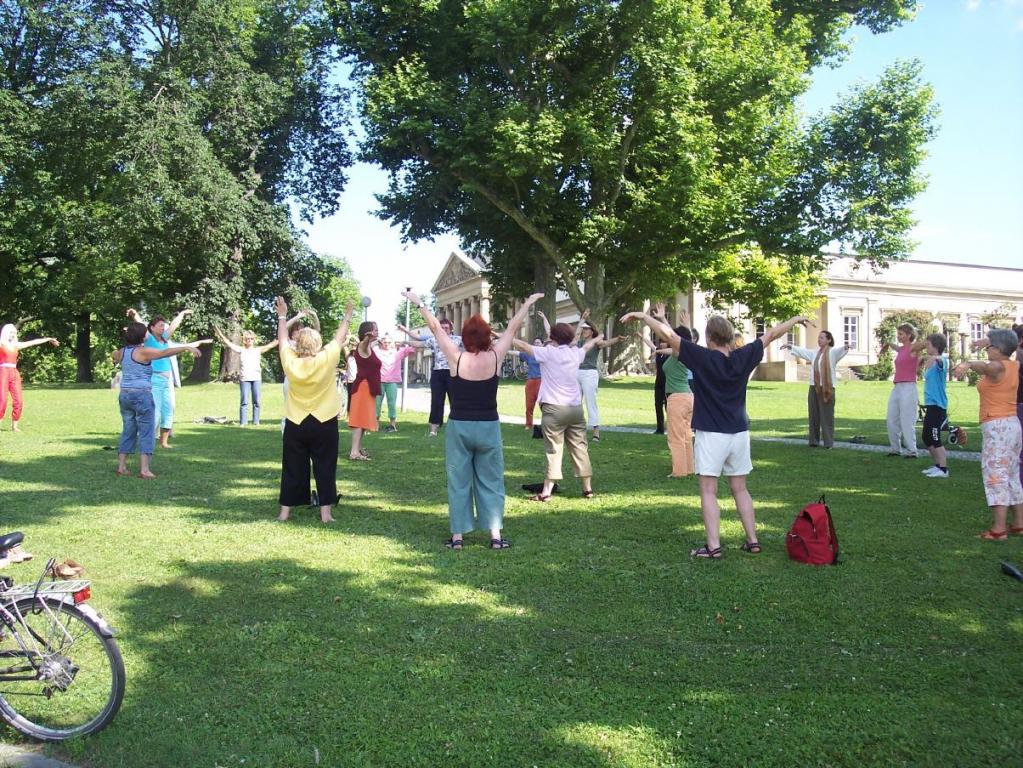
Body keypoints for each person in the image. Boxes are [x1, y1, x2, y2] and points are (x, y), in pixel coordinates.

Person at [623, 309, 808, 558]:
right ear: (730, 337)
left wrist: (644, 318)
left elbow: (668, 334)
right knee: (740, 489)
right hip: (739, 433)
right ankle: (753, 541)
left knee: (708, 491)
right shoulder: (744, 356)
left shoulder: (703, 357)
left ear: (710, 338)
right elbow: (772, 334)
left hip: (712, 434)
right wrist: (795, 320)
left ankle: (713, 546)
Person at [403, 289, 544, 549]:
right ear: (488, 336)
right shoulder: (495, 357)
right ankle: (495, 536)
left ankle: (457, 537)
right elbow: (513, 327)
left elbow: (435, 328)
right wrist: (527, 303)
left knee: (459, 480)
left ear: (465, 337)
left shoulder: (456, 358)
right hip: (488, 426)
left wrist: (419, 303)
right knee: (491, 480)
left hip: (460, 427)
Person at [276, 297, 355, 524]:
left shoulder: (289, 360)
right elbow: (340, 336)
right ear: (318, 345)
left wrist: (283, 315)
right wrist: (347, 315)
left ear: (298, 345)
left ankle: (284, 513)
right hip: (324, 422)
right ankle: (326, 514)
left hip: (296, 421)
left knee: (292, 466)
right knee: (325, 465)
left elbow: (282, 339)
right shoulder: (327, 358)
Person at [512, 322, 603, 502]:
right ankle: (587, 490)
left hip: (554, 409)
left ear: (552, 338)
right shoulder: (575, 353)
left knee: (554, 450)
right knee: (580, 448)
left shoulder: (548, 353)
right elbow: (587, 345)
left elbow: (523, 346)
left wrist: (504, 336)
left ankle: (546, 492)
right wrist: (598, 338)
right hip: (575, 409)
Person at [954, 328, 1023, 540]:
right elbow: (1005, 349)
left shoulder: (999, 367)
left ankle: (998, 529)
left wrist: (967, 364)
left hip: (998, 427)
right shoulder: (1015, 364)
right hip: (1011, 425)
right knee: (1011, 474)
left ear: (999, 349)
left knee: (996, 475)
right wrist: (988, 342)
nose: (986, 349)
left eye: (989, 347)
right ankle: (1019, 524)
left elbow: (986, 366)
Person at [112, 323, 202, 478]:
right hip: (141, 395)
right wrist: (187, 347)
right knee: (147, 431)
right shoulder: (143, 352)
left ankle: (121, 467)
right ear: (142, 337)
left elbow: (114, 355)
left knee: (128, 429)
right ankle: (144, 470)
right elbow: (165, 352)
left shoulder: (122, 352)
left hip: (124, 395)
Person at [127, 307, 200, 449]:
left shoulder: (165, 339)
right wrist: (135, 314)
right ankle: (144, 439)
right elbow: (141, 323)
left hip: (167, 380)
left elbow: (173, 325)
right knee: (155, 411)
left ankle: (164, 442)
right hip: (154, 380)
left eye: (163, 326)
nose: (163, 328)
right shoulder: (148, 339)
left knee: (169, 409)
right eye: (160, 326)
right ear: (152, 328)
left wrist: (182, 314)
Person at [781, 330, 850, 449]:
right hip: (814, 387)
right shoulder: (815, 353)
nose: (819, 340)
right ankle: (814, 441)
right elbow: (803, 352)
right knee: (814, 414)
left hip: (827, 387)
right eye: (818, 338)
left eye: (822, 338)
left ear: (828, 340)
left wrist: (845, 347)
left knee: (827, 415)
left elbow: (840, 351)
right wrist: (790, 346)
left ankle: (828, 443)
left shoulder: (832, 352)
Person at [398, 318, 463, 436]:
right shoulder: (434, 340)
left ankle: (457, 426)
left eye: (446, 328)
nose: (444, 330)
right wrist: (405, 342)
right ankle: (433, 429)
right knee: (436, 401)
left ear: (451, 328)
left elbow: (473, 343)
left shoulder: (457, 339)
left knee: (455, 400)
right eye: (441, 328)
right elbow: (420, 343)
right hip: (438, 373)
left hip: (453, 373)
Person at [575, 314, 625, 442]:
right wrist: (582, 320)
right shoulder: (579, 342)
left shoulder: (596, 342)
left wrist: (617, 339)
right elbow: (575, 336)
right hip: (577, 373)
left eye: (586, 329)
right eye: (583, 329)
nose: (584, 331)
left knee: (590, 402)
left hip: (589, 374)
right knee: (575, 402)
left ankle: (596, 431)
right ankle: (577, 430)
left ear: (592, 332)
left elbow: (606, 343)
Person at [0, 324, 59, 432]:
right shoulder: (1, 344)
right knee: (2, 400)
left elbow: (33, 342)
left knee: (19, 401)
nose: (13, 335)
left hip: (14, 373)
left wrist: (48, 339)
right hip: (3, 372)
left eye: (14, 333)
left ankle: (14, 426)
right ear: (5, 333)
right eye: (11, 332)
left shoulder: (16, 345)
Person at [214, 327, 278, 426]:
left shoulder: (258, 350)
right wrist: (220, 334)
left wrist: (283, 333)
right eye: (247, 339)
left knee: (256, 401)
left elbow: (271, 345)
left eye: (251, 338)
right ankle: (243, 422)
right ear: (245, 340)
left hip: (256, 379)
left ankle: (256, 422)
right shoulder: (241, 350)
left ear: (254, 339)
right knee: (244, 401)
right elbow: (228, 343)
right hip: (245, 379)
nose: (249, 340)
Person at [881, 323, 921, 459]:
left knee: (907, 419)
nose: (898, 336)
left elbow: (925, 344)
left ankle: (912, 450)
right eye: (898, 334)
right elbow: (897, 348)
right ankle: (895, 448)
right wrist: (888, 344)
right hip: (897, 387)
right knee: (891, 418)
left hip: (908, 387)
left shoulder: (913, 348)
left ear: (909, 335)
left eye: (901, 334)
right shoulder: (902, 349)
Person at [914, 333, 950, 477]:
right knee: (926, 437)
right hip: (931, 405)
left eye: (928, 344)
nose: (926, 346)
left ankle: (943, 469)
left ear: (935, 346)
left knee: (935, 437)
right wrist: (923, 359)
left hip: (938, 405)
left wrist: (934, 358)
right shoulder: (930, 361)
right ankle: (937, 465)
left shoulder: (942, 361)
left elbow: (942, 361)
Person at [347, 321, 382, 460]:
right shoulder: (363, 346)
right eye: (375, 330)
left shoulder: (369, 347)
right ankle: (354, 452)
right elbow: (364, 342)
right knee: (358, 420)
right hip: (362, 387)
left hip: (368, 388)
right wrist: (369, 336)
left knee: (363, 420)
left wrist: (373, 338)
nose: (377, 332)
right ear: (368, 332)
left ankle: (358, 448)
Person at [374, 334, 415, 432]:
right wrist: (377, 340)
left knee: (392, 403)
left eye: (389, 342)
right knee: (377, 403)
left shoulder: (398, 352)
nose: (387, 344)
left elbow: (413, 349)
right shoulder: (377, 351)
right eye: (385, 342)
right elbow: (368, 347)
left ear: (392, 343)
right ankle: (375, 424)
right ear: (381, 343)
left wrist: (404, 342)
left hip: (392, 382)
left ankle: (392, 424)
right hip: (379, 381)